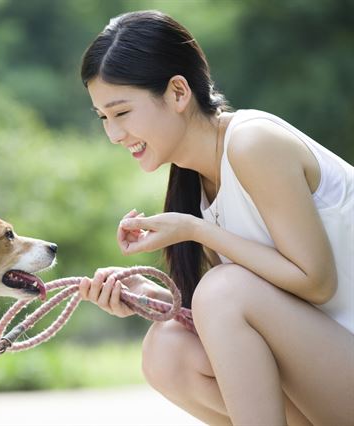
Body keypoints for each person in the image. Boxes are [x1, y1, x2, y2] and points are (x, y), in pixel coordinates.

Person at [77, 10, 353, 425]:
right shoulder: (197, 182)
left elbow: (316, 282)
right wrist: (145, 298)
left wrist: (195, 229)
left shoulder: (252, 142)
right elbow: (251, 321)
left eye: (122, 113)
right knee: (167, 348)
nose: (113, 134)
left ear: (177, 92)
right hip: (331, 365)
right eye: (103, 117)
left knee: (223, 289)